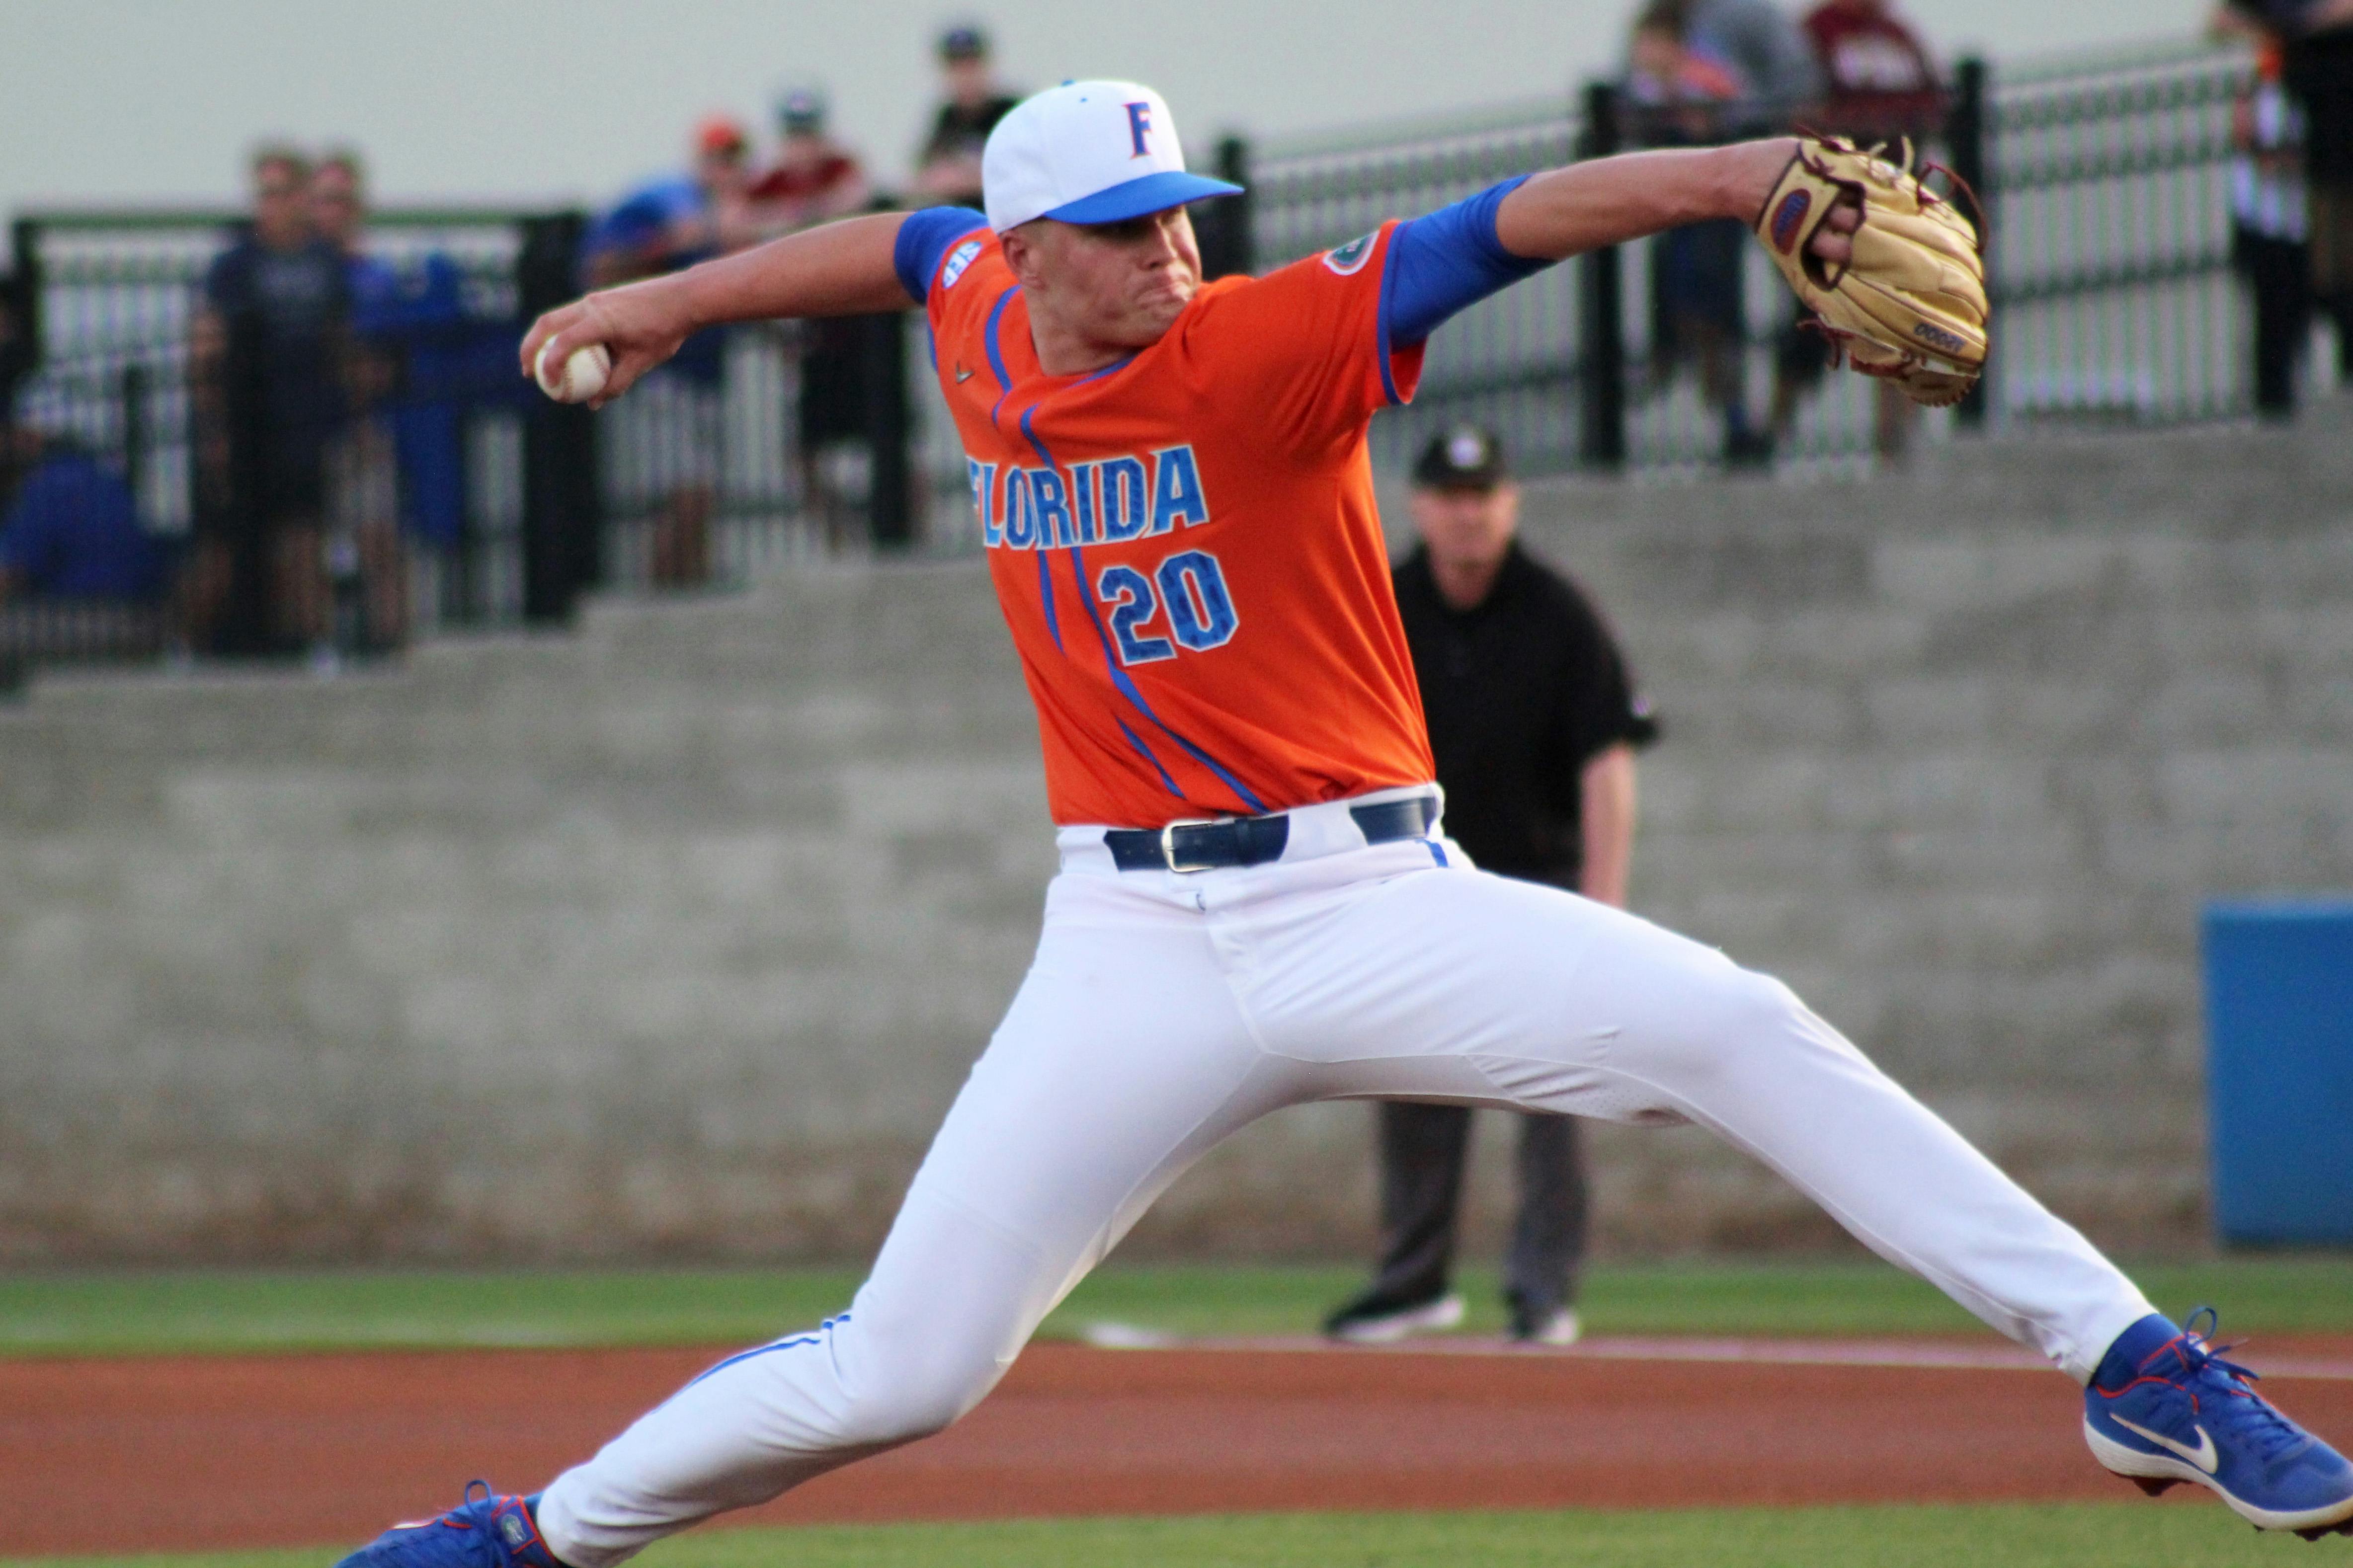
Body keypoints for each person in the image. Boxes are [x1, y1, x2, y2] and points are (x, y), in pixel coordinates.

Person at [342, 79, 2353, 1568]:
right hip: (1122, 946)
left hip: (1371, 898)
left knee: (1739, 1025)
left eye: (1180, 213)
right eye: (1125, 229)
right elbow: (883, 247)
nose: (1170, 249)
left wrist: (1746, 175)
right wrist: (678, 300)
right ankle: (536, 1539)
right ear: (1027, 255)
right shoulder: (974, 310)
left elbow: (1513, 218)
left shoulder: (1259, 344)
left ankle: (2131, 1365)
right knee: (903, 1373)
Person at [1323, 427, 1658, 1348]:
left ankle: (1543, 1290)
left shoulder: (1558, 613)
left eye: (1484, 495)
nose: (1468, 513)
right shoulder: (1382, 605)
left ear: (1511, 504)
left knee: (1555, 1096)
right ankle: (1411, 1280)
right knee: (1411, 1088)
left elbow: (1606, 762)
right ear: (1420, 506)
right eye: (1450, 495)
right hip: (1421, 886)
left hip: (1539, 882)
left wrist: (1604, 904)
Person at [189, 144, 351, 659]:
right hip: (243, 424)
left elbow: (341, 342)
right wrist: (213, 428)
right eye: (265, 195)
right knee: (221, 550)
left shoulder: (326, 264)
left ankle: (316, 644)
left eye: (282, 193)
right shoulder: (235, 266)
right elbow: (206, 346)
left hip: (303, 425)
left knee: (304, 541)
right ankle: (185, 644)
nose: (272, 205)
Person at [1769, 0, 1947, 461]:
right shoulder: (1816, 32)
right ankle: (1772, 433)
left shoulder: (1897, 33)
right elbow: (1798, 108)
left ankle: (1896, 440)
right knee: (1812, 322)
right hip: (1835, 204)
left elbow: (1934, 102)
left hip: (1893, 205)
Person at [582, 117, 755, 586]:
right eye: (717, 159)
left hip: (701, 374)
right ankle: (667, 591)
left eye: (733, 160)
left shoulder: (713, 205)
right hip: (663, 375)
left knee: (701, 492)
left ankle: (691, 587)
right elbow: (691, 232)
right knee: (685, 490)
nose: (726, 169)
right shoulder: (673, 195)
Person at [1625, 4, 1774, 467]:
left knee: (1708, 312)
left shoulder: (1702, 77)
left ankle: (1730, 415)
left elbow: (1728, 118)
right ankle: (1696, 385)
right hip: (1676, 217)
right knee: (1680, 306)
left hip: (1709, 218)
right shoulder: (1647, 88)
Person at [310, 149, 419, 653]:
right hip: (306, 432)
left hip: (363, 431)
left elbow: (386, 358)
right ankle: (320, 646)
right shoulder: (301, 277)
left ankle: (391, 645)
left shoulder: (373, 277)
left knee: (379, 540)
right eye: (324, 201)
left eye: (342, 201)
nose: (332, 213)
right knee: (307, 549)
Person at [0, 423, 170, 669]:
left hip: (83, 620)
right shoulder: (102, 476)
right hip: (144, 620)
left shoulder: (47, 485)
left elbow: (9, 576)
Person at [913, 24, 1020, 209]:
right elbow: (925, 173)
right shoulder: (947, 117)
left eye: (971, 66)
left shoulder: (1010, 112)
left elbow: (1023, 171)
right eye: (957, 69)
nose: (965, 77)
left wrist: (967, 178)